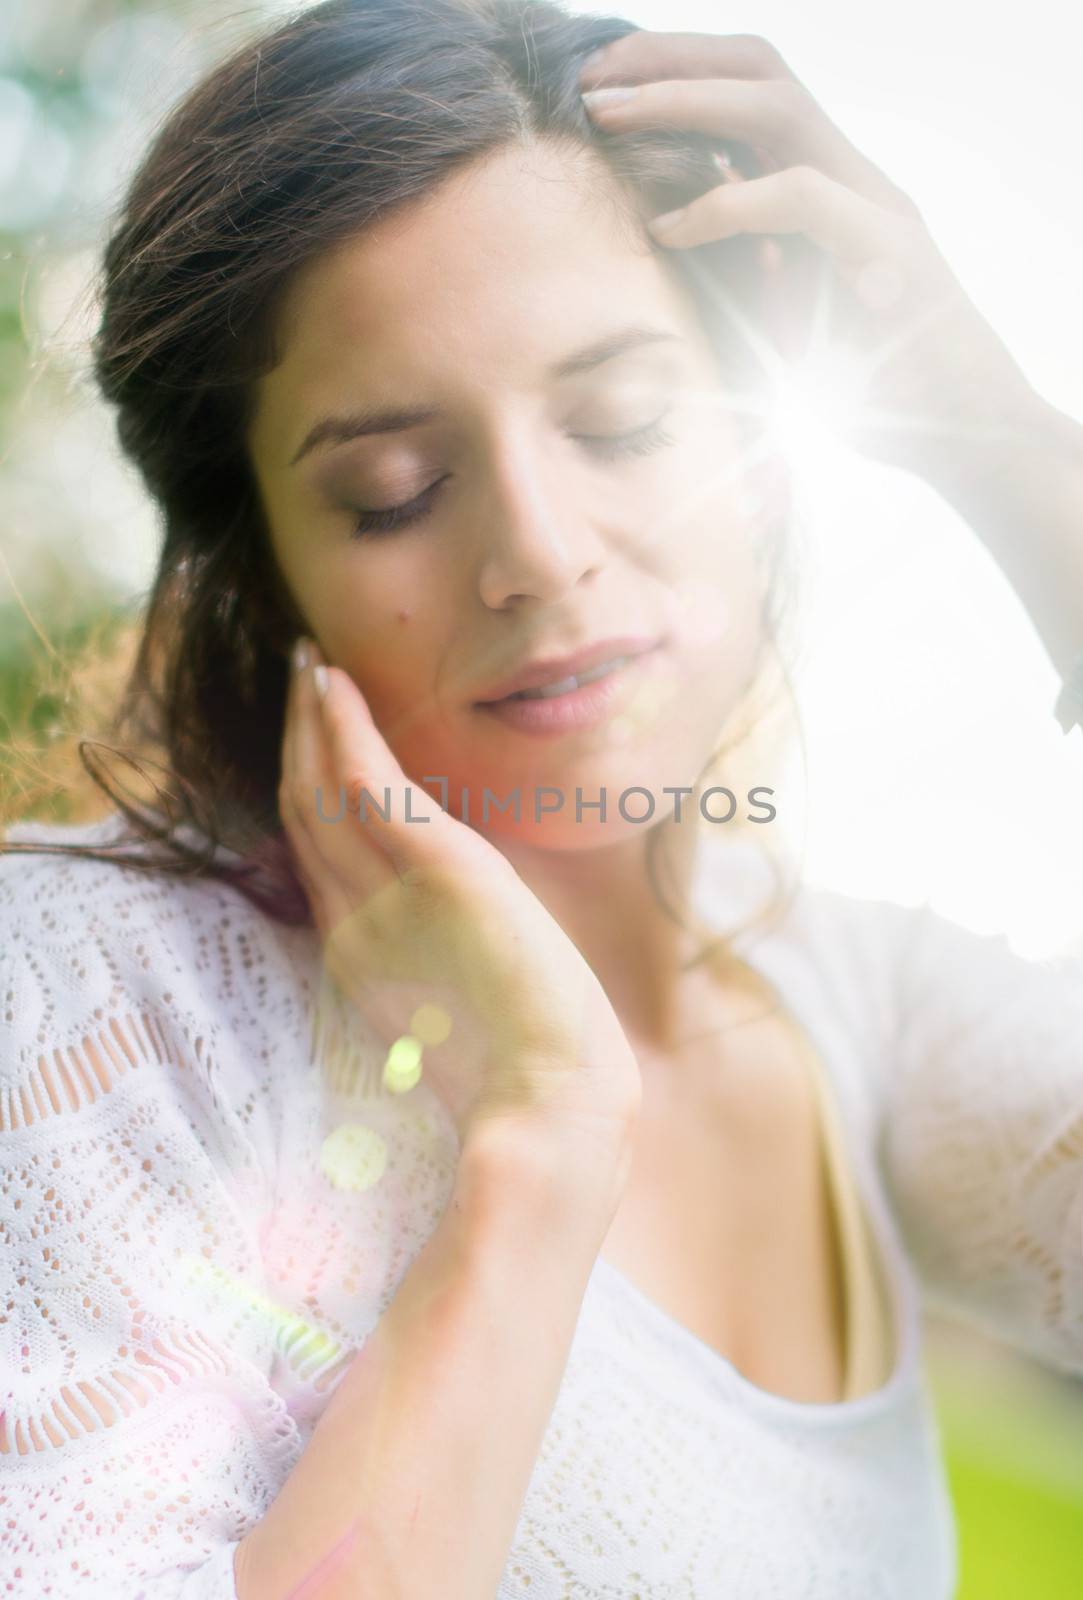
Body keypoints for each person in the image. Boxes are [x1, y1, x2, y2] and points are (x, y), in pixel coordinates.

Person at [1, 2, 1081, 1596]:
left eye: (627, 421)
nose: (540, 551)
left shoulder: (842, 996)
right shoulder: (93, 999)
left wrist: (1007, 450)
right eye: (395, 494)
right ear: (264, 572)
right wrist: (538, 1146)